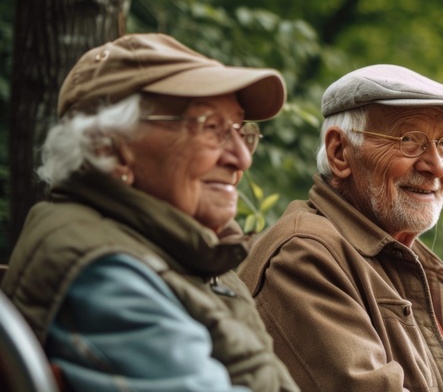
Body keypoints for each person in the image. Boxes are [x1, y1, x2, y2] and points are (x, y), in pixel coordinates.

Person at [1, 33, 299, 392]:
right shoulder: (105, 272)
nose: (242, 157)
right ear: (110, 146)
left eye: (240, 130)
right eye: (210, 128)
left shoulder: (188, 252)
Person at [237, 64, 443, 392]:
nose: (436, 166)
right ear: (340, 153)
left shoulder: (413, 264)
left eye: (442, 144)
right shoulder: (304, 254)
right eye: (409, 140)